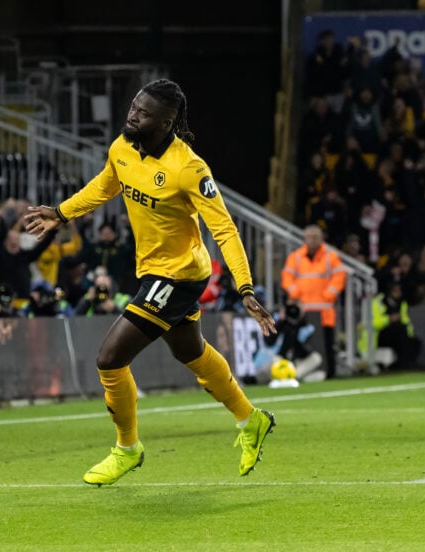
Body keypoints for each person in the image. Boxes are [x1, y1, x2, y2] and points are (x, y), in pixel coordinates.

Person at [24, 78, 277, 486]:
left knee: (110, 358)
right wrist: (62, 212)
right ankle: (252, 420)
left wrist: (245, 288)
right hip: (152, 269)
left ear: (165, 123)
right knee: (191, 351)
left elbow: (225, 230)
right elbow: (105, 185)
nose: (132, 116)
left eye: (143, 114)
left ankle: (127, 449)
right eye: (133, 107)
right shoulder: (122, 148)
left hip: (180, 273)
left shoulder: (189, 168)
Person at [282, 224, 346, 379]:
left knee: (327, 344)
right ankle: (302, 371)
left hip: (324, 310)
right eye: (309, 237)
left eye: (315, 237)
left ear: (321, 238)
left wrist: (329, 294)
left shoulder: (330, 256)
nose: (311, 240)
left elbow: (340, 276)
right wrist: (295, 293)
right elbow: (287, 277)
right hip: (302, 311)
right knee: (301, 343)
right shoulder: (296, 257)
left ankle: (330, 374)